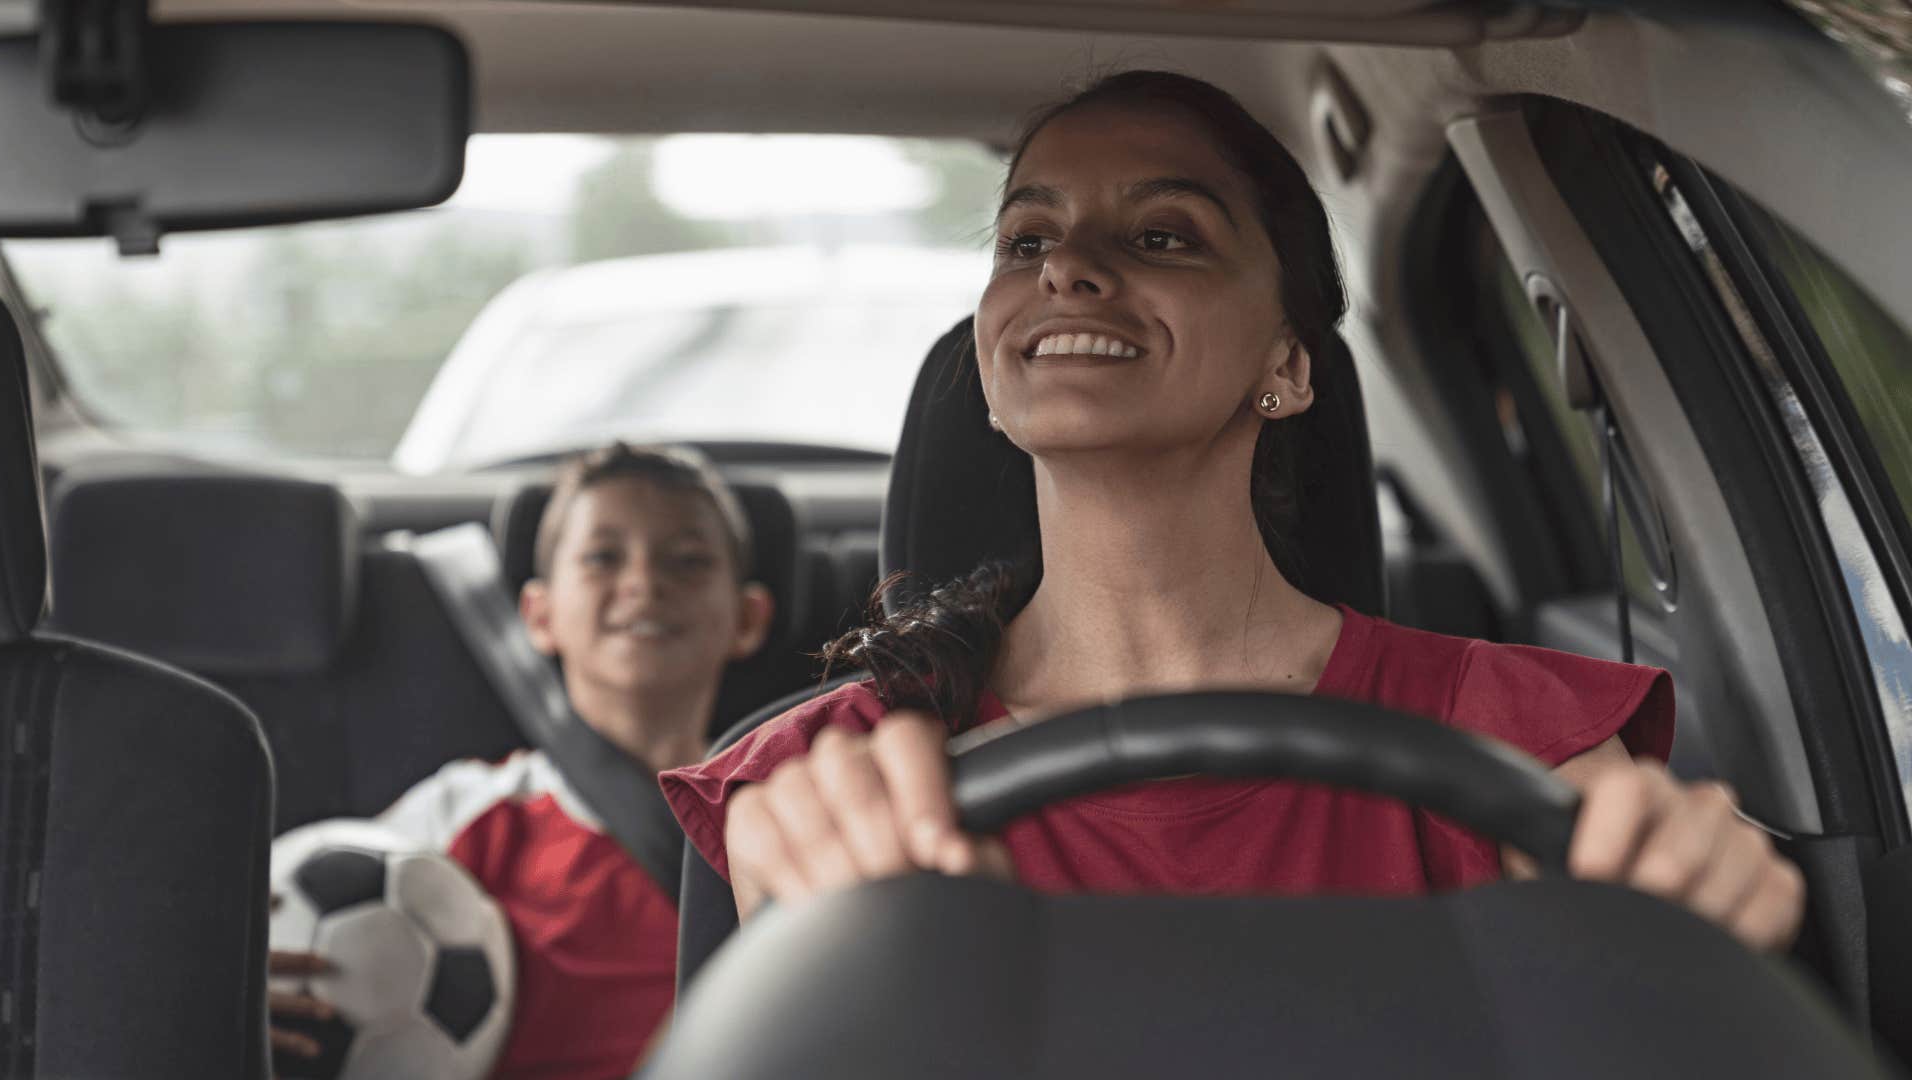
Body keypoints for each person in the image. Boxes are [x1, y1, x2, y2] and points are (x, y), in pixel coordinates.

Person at [657, 71, 1805, 951]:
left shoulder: (1505, 739)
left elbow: (1646, 953)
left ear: (1290, 366)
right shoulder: (832, 785)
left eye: (1162, 235)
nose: (1066, 269)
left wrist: (1690, 894)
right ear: (991, 364)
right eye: (1025, 238)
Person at [270, 442, 773, 1079]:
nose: (645, 582)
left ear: (749, 619)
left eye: (689, 561)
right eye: (602, 557)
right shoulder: (465, 814)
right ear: (539, 615)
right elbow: (292, 939)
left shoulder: (781, 813)